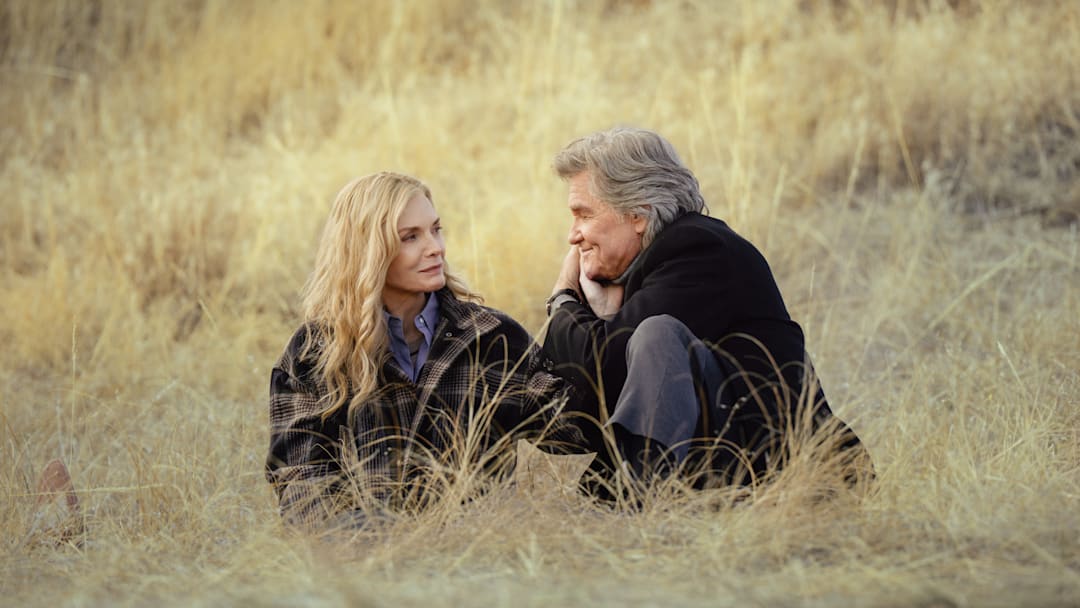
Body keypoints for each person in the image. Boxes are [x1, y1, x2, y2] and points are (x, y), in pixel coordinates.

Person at [542, 126, 869, 487]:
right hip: (732, 472)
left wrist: (563, 299)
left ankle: (640, 500)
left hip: (792, 476)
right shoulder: (651, 268)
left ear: (638, 213)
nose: (572, 236)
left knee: (656, 334)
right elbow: (584, 406)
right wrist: (604, 316)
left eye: (584, 215)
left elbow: (600, 365)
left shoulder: (699, 249)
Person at [266, 172, 574, 529]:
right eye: (410, 237)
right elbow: (303, 493)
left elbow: (576, 430)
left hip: (481, 564)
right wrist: (396, 543)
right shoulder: (313, 354)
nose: (435, 248)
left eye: (436, 229)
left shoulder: (492, 338)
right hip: (366, 567)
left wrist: (574, 308)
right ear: (368, 250)